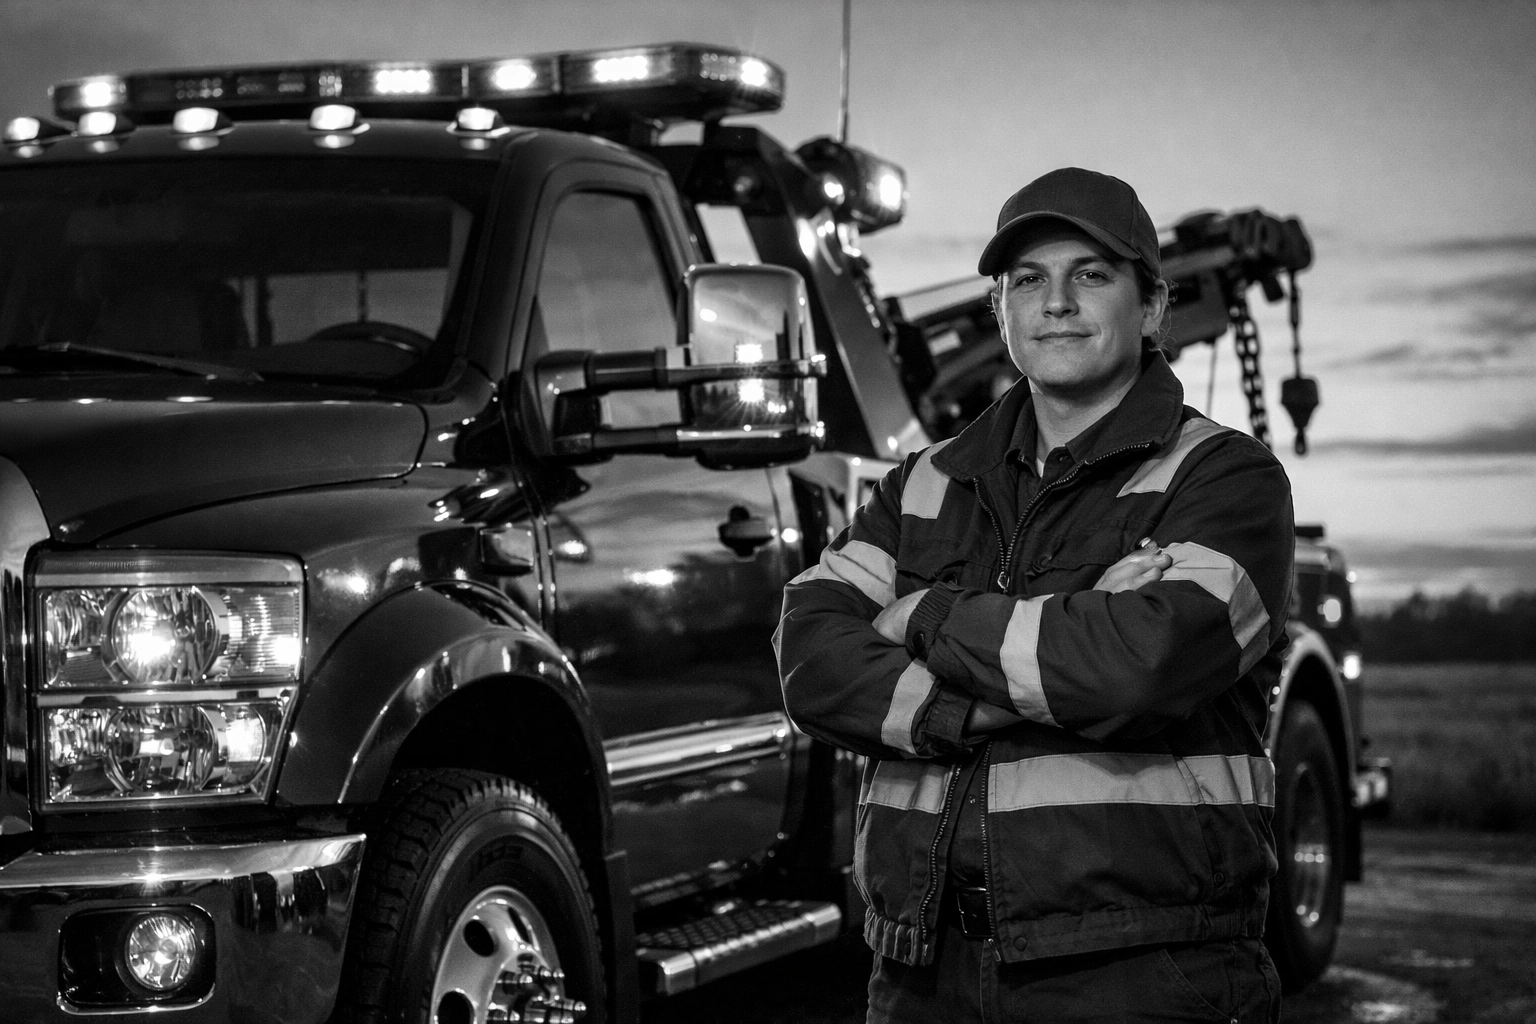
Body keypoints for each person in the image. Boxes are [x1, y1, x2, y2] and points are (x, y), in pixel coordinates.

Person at [776, 167, 1292, 1023]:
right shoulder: (923, 484)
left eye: (1091, 274)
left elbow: (1139, 667)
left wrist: (927, 616)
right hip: (918, 970)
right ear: (1000, 312)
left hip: (1140, 969)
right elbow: (811, 661)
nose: (1056, 301)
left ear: (1154, 306)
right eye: (1027, 280)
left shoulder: (1224, 478)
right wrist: (1036, 663)